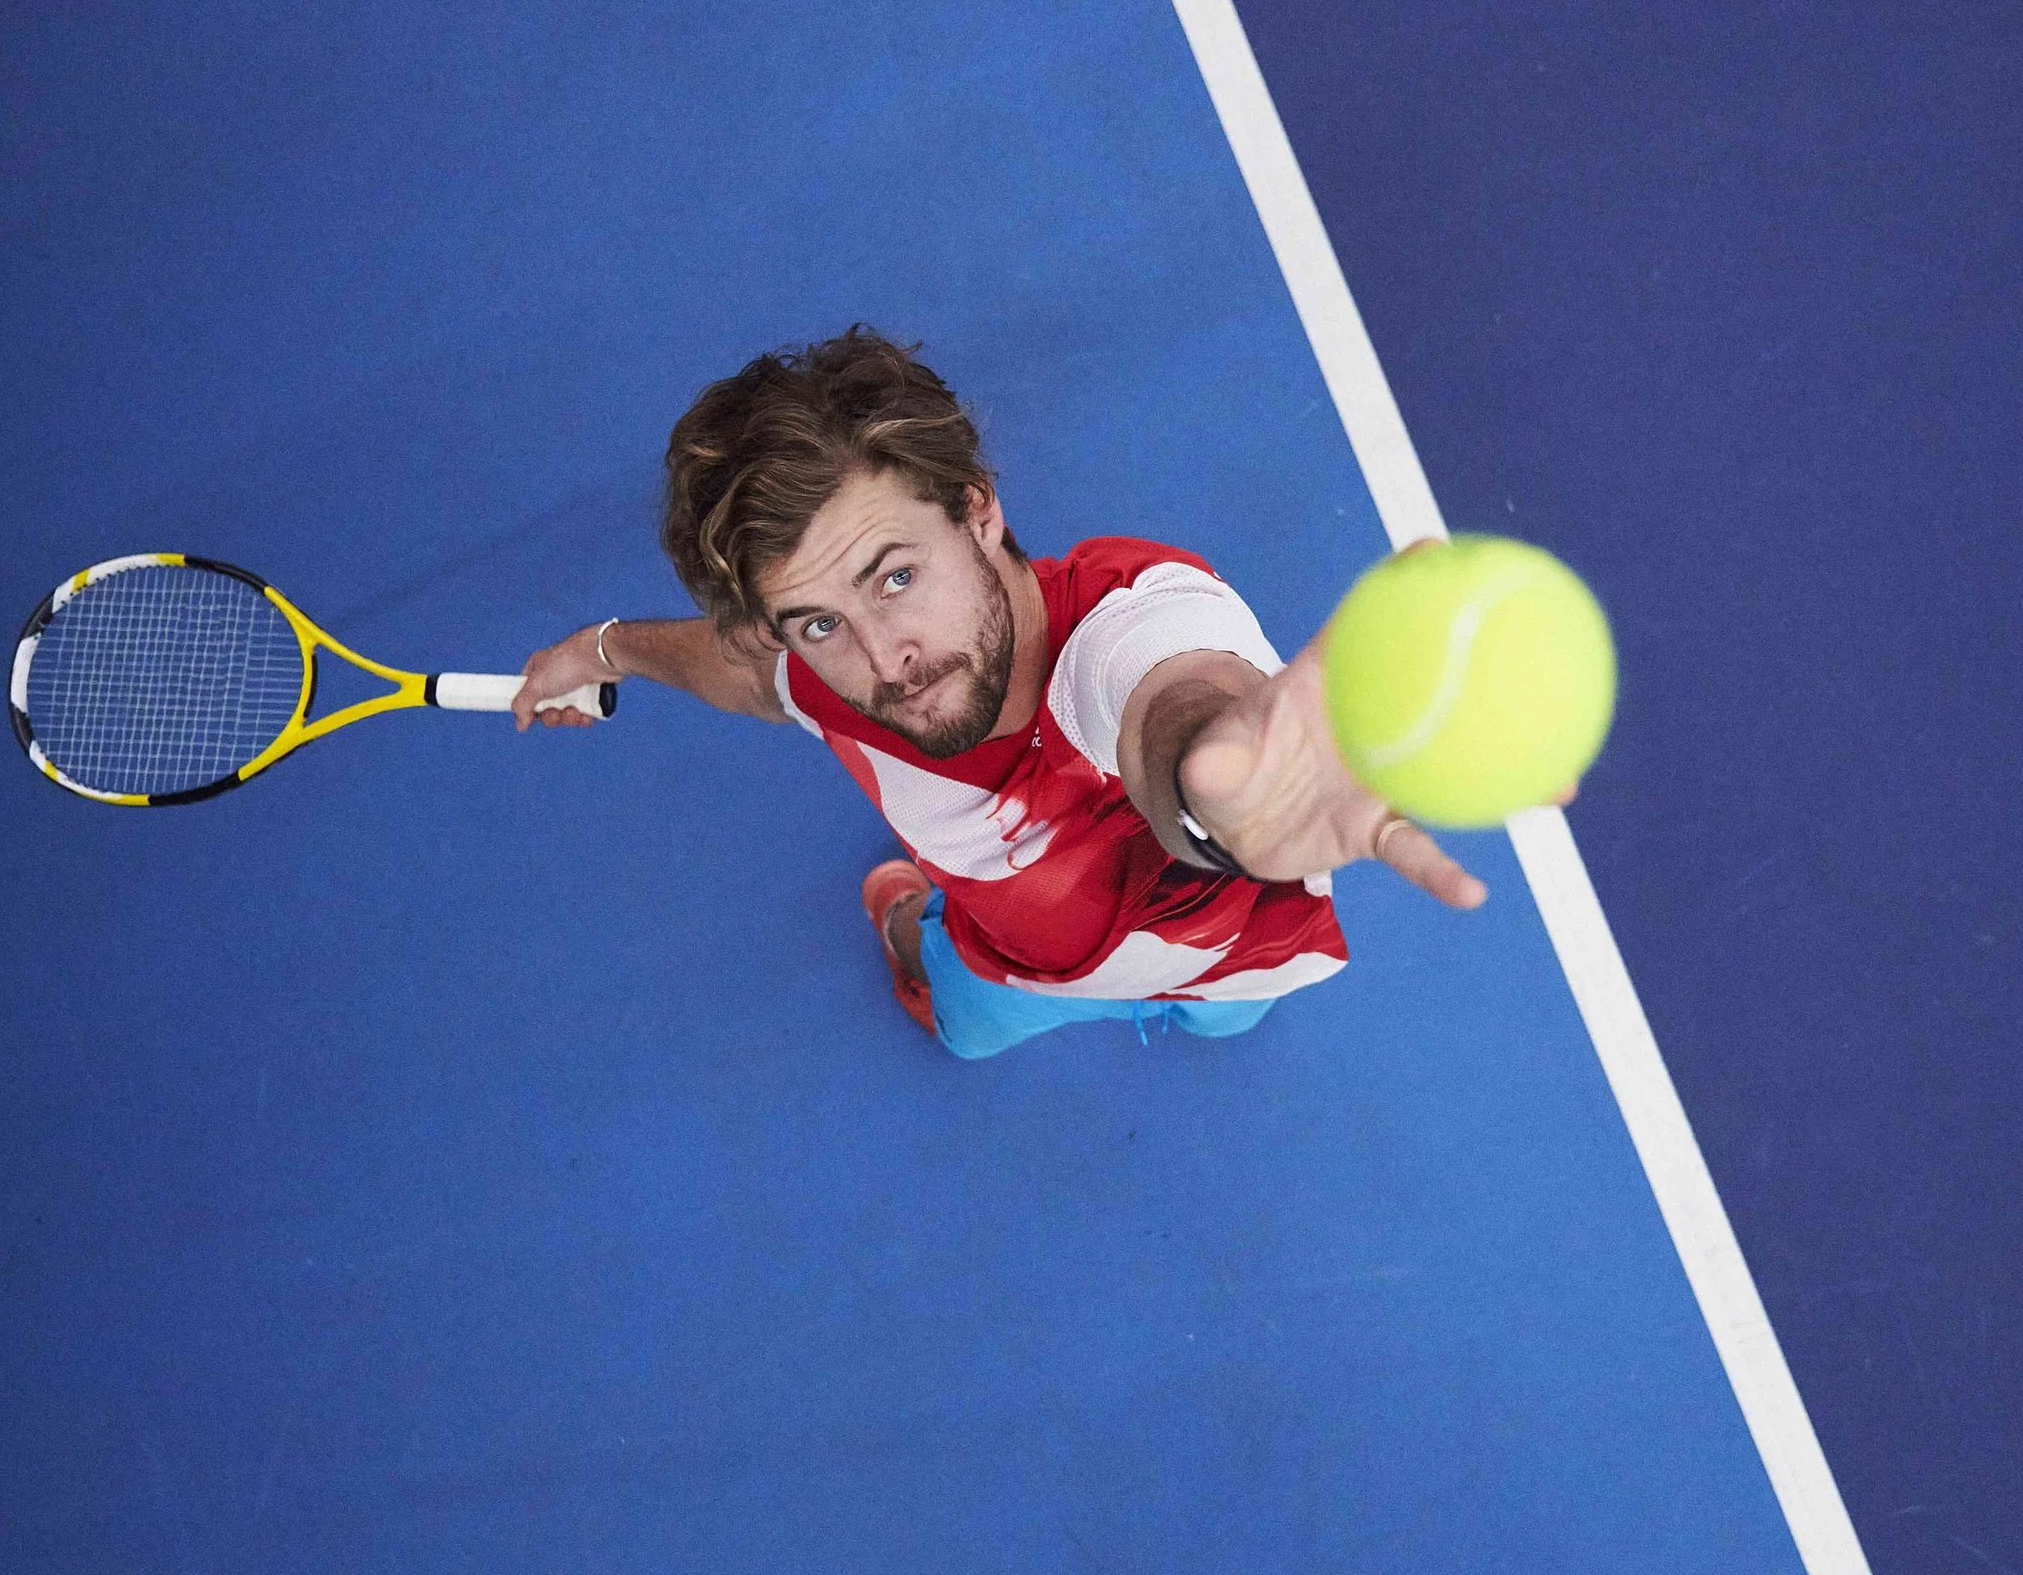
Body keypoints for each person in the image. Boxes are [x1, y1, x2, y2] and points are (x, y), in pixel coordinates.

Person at [511, 327, 1494, 1060]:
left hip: (1236, 948)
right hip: (1014, 966)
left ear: (977, 511)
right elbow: (741, 669)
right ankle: (917, 936)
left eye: (894, 576)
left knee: (1228, 1010)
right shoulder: (821, 673)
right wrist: (609, 650)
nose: (884, 657)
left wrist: (1217, 796)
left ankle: (1105, 975)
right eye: (816, 620)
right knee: (966, 1028)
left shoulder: (1130, 625)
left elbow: (1177, 699)